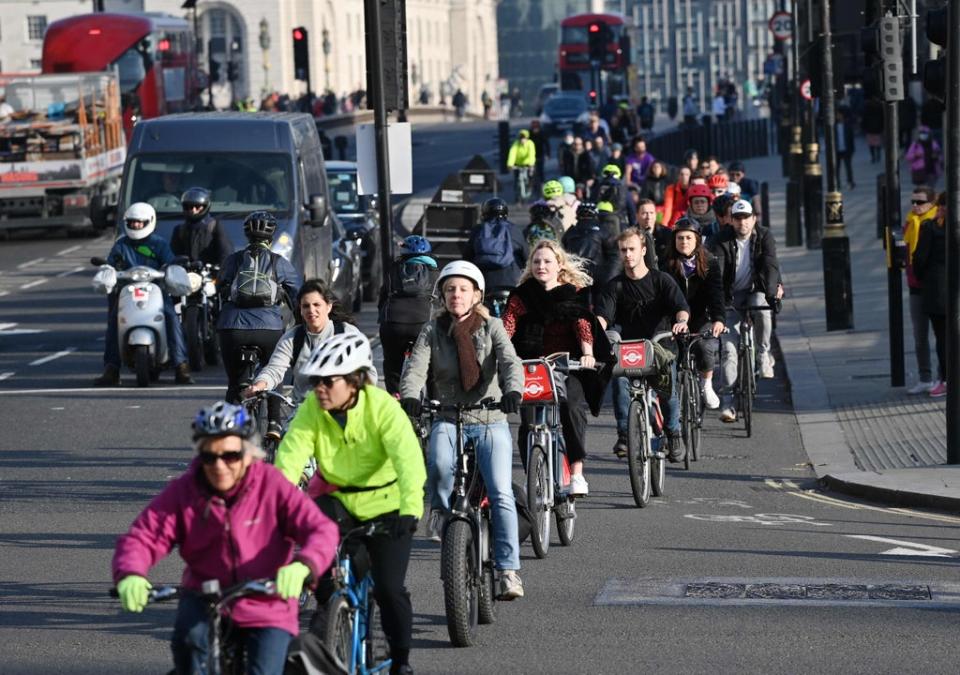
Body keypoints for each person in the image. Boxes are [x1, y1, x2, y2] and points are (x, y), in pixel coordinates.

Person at [112, 401, 339, 675]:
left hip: (266, 604)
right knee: (189, 646)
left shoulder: (272, 486)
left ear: (248, 453)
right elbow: (144, 536)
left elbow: (320, 529)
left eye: (230, 455)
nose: (219, 466)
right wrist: (130, 573)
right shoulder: (186, 490)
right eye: (210, 456)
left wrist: (305, 564)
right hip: (204, 599)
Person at [274, 333, 426, 675]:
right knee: (322, 576)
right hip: (337, 500)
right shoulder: (313, 407)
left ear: (355, 381)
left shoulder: (383, 408)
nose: (320, 389)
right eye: (315, 382)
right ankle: (329, 627)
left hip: (388, 506)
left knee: (389, 589)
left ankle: (401, 661)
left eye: (329, 381)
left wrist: (410, 510)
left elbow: (409, 462)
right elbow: (290, 455)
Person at [398, 261, 526, 598]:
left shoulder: (492, 326)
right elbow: (415, 369)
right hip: (447, 416)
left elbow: (511, 361)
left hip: (489, 419)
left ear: (477, 294)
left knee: (501, 493)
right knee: (439, 466)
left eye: (463, 289)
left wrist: (513, 391)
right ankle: (440, 512)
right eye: (450, 289)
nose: (456, 295)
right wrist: (411, 396)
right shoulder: (432, 330)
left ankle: (508, 570)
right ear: (442, 294)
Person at [502, 240, 613, 496]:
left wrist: (587, 353)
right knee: (527, 422)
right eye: (536, 261)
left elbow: (582, 324)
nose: (541, 266)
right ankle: (534, 472)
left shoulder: (571, 293)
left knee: (572, 407)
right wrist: (501, 352)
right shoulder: (522, 295)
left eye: (547, 261)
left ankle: (576, 473)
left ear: (559, 265)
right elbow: (507, 326)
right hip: (531, 366)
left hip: (567, 365)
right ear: (530, 265)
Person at [596, 228, 690, 460]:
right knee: (619, 381)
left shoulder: (661, 280)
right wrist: (594, 331)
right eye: (623, 250)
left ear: (643, 250)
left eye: (632, 249)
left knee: (667, 388)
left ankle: (673, 433)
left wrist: (681, 322)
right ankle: (625, 436)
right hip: (630, 349)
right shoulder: (615, 285)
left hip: (660, 347)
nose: (627, 254)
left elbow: (681, 307)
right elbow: (602, 316)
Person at [217, 211, 301, 435]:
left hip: (232, 327)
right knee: (274, 372)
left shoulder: (233, 260)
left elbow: (220, 289)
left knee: (235, 383)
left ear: (247, 235)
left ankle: (229, 432)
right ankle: (274, 423)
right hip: (269, 328)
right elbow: (297, 295)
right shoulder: (279, 263)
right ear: (271, 237)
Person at [93, 202, 193, 386]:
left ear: (149, 222)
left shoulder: (159, 244)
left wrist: (173, 269)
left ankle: (181, 366)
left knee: (171, 317)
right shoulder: (121, 244)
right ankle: (111, 369)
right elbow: (111, 263)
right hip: (126, 291)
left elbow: (170, 262)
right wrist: (107, 271)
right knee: (114, 321)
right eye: (132, 222)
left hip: (156, 290)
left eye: (140, 222)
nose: (136, 225)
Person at [708, 199, 782, 422]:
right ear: (731, 220)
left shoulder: (764, 236)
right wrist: (717, 308)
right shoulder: (720, 240)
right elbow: (717, 275)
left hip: (755, 290)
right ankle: (728, 403)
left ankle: (762, 355)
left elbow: (770, 265)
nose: (742, 223)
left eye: (746, 217)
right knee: (729, 350)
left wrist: (772, 295)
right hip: (729, 297)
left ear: (754, 218)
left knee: (763, 310)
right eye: (737, 218)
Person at [243, 278, 361, 409]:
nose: (311, 310)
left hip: (340, 410)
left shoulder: (347, 333)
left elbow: (366, 373)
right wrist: (260, 385)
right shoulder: (293, 337)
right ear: (300, 310)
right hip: (303, 412)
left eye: (317, 305)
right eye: (306, 306)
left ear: (328, 306)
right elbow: (274, 369)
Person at [662, 218, 726, 409]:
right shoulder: (666, 265)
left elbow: (717, 294)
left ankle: (706, 383)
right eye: (680, 238)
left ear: (697, 240)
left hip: (701, 318)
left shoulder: (710, 263)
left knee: (704, 347)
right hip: (674, 320)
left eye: (689, 238)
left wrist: (718, 320)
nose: (684, 242)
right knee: (670, 357)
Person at [376, 235, 440, 395]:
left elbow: (382, 299)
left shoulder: (393, 270)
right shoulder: (436, 273)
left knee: (392, 365)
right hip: (424, 324)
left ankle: (395, 398)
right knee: (433, 366)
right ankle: (435, 403)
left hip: (393, 325)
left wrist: (383, 318)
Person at [902, 186, 939, 394]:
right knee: (919, 335)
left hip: (933, 287)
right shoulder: (910, 222)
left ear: (932, 203)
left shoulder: (934, 224)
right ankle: (925, 377)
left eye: (920, 202)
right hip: (914, 286)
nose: (915, 206)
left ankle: (943, 377)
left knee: (941, 334)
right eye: (913, 202)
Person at [912, 192, 947, 398]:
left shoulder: (930, 228)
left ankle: (945, 379)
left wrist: (922, 278)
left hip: (936, 292)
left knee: (942, 337)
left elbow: (919, 259)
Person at [466, 197, 529, 293]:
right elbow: (527, 256)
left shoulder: (478, 230)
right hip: (511, 281)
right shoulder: (513, 229)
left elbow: (467, 257)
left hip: (484, 283)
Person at [169, 187, 233, 267]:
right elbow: (172, 256)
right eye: (189, 206)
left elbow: (226, 254)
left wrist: (220, 271)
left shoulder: (214, 226)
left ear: (205, 206)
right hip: (185, 276)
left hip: (209, 276)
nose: (193, 210)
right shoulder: (179, 230)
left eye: (197, 206)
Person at [637, 198, 670, 267]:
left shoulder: (667, 234)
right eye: (644, 213)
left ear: (655, 215)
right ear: (637, 215)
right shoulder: (631, 235)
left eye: (651, 213)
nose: (648, 217)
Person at [506, 129, 536, 204]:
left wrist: (531, 164)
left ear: (527, 138)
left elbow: (531, 154)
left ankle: (530, 187)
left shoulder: (530, 144)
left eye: (524, 138)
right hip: (518, 164)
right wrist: (510, 164)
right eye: (521, 138)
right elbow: (512, 154)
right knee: (517, 180)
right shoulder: (516, 144)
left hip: (527, 164)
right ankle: (517, 196)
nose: (522, 140)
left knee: (530, 176)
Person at [835, 108, 856, 189]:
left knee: (848, 167)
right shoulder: (834, 125)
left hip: (846, 150)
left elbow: (851, 138)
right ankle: (837, 182)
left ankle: (850, 181)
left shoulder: (847, 125)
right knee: (836, 168)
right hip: (837, 150)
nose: (837, 116)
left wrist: (852, 150)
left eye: (839, 114)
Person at [528, 119, 551, 194]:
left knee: (541, 171)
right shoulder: (529, 134)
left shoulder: (542, 133)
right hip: (531, 156)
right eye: (534, 128)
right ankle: (532, 186)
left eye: (536, 128)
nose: (535, 130)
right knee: (531, 172)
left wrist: (548, 154)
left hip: (540, 155)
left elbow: (547, 144)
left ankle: (542, 185)